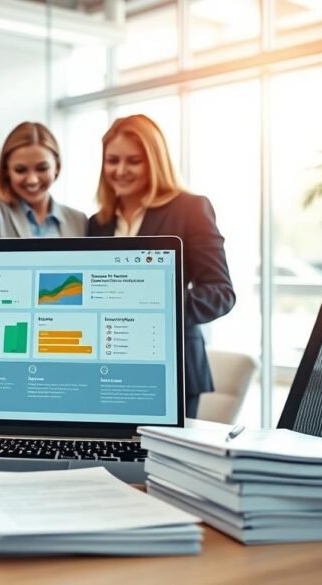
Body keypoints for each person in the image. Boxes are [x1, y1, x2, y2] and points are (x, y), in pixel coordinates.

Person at [86, 114, 235, 419]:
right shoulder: (97, 224)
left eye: (134, 161)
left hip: (174, 368)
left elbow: (221, 293)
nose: (120, 170)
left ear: (155, 161)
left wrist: (153, 310)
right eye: (112, 160)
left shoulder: (190, 209)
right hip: (110, 370)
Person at [0, 121, 86, 238]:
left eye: (42, 168)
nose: (32, 180)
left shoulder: (79, 220)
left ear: (56, 166)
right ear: (7, 170)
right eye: (20, 170)